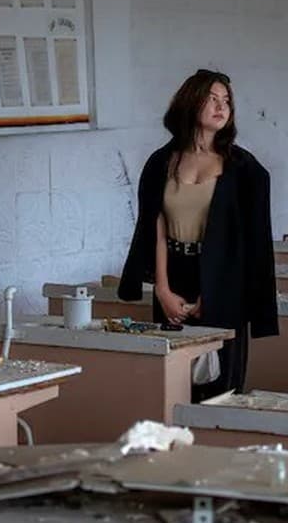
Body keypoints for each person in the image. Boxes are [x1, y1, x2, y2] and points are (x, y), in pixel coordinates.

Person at [118, 69, 278, 400]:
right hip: (175, 274)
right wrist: (161, 288)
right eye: (212, 99)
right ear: (191, 102)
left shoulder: (244, 169)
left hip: (226, 281)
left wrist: (215, 292)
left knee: (219, 387)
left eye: (227, 101)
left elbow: (252, 244)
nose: (222, 107)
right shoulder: (162, 162)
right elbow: (155, 225)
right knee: (175, 384)